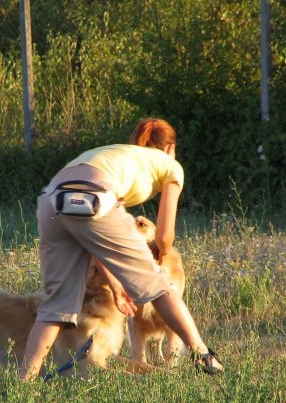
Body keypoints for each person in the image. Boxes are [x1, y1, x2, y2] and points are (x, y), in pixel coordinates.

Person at [19, 118, 223, 380]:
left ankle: (24, 385)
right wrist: (159, 258)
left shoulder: (116, 154)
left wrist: (116, 285)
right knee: (159, 287)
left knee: (56, 307)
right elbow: (163, 235)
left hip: (53, 200)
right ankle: (204, 356)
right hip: (94, 195)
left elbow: (96, 240)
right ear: (170, 148)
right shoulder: (170, 165)